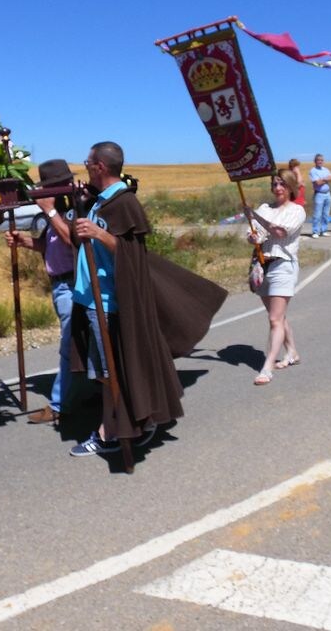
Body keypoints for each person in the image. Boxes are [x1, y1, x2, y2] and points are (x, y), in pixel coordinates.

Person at [68, 141, 224, 457]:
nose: (84, 165)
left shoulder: (124, 203)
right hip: (90, 298)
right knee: (106, 371)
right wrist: (80, 204)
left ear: (99, 166)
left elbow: (132, 255)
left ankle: (110, 433)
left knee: (111, 372)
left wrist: (100, 235)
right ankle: (133, 421)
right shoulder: (100, 201)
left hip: (109, 301)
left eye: (88, 161)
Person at [5, 159, 77, 426]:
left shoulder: (70, 210)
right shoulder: (59, 213)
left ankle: (59, 404)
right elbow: (52, 246)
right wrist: (26, 242)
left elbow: (73, 241)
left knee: (69, 345)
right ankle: (87, 392)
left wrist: (49, 212)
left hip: (71, 285)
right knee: (79, 344)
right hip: (59, 284)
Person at [244, 169, 307, 385]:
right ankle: (292, 352)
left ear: (290, 187)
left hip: (283, 266)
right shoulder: (265, 208)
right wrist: (253, 237)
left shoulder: (297, 211)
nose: (278, 188)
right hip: (262, 265)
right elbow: (257, 234)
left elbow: (280, 233)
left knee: (274, 319)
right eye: (274, 184)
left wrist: (255, 216)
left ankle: (267, 366)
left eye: (282, 184)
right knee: (277, 316)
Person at [308, 154, 331, 237]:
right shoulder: (313, 171)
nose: (320, 161)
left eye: (321, 160)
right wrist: (326, 179)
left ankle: (324, 230)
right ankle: (315, 231)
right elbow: (317, 183)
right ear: (315, 161)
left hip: (327, 193)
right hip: (319, 194)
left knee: (326, 214)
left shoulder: (326, 170)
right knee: (317, 214)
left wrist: (323, 180)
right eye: (318, 160)